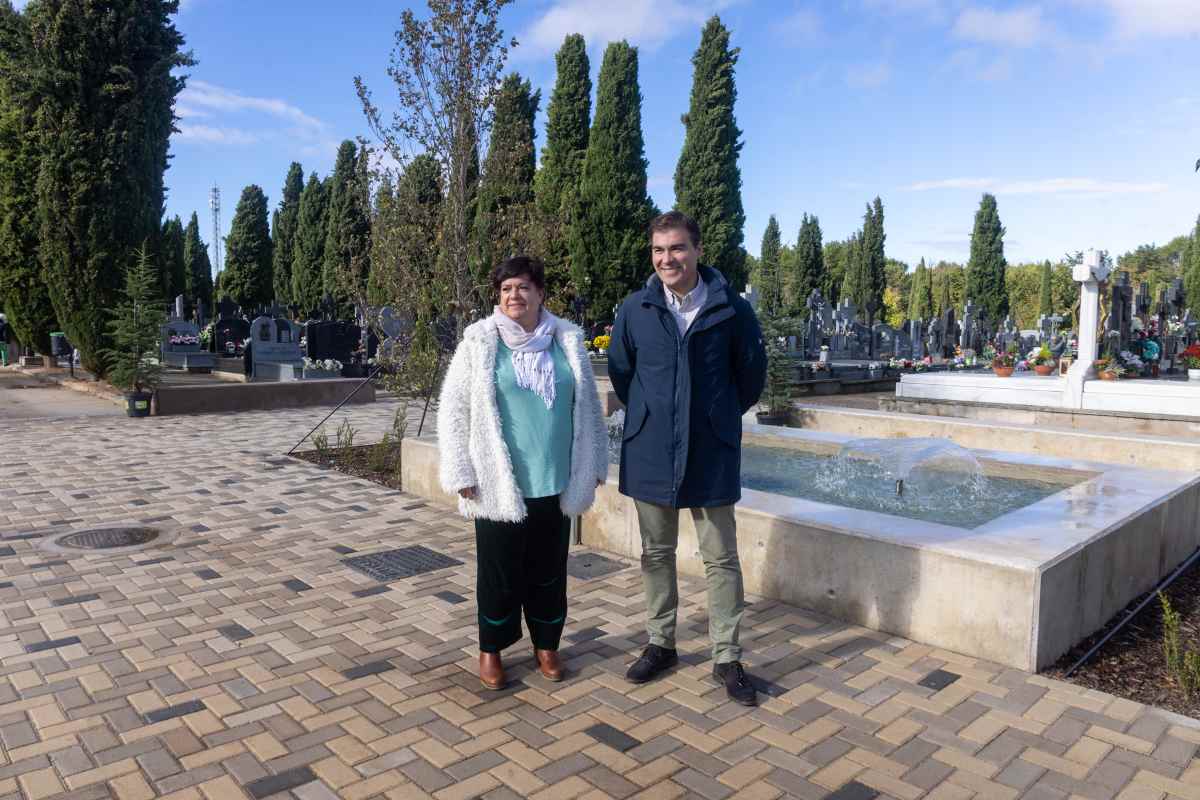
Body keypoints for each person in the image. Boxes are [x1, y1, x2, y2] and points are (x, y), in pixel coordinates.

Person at [608, 210, 767, 706]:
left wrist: (715, 417)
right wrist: (657, 417)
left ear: (698, 250)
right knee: (655, 552)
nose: (666, 259)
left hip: (711, 451)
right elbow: (621, 373)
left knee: (720, 556)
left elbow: (750, 376)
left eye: (676, 248)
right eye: (658, 250)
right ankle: (661, 643)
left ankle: (727, 656)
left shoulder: (732, 310)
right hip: (652, 447)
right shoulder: (635, 309)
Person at [438, 255, 608, 690]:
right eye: (506, 288)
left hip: (556, 479)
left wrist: (594, 463)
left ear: (540, 294)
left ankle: (547, 644)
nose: (515, 295)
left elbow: (587, 406)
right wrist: (460, 468)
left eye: (523, 287)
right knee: (498, 571)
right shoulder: (479, 342)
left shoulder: (566, 340)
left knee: (550, 570)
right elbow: (454, 409)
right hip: (499, 482)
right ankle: (490, 649)